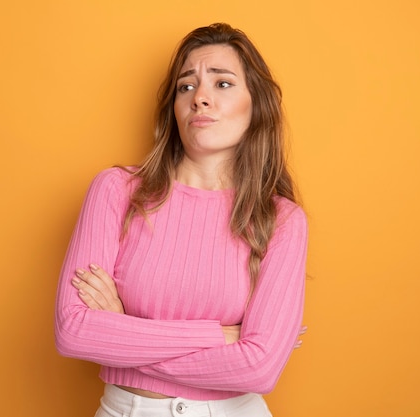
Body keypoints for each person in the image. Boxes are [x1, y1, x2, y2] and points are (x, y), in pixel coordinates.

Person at [55, 22, 308, 417]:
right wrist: (218, 337)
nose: (200, 98)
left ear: (256, 104)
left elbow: (259, 368)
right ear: (173, 107)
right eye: (186, 86)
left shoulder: (282, 219)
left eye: (222, 84)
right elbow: (74, 332)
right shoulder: (116, 191)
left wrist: (121, 331)